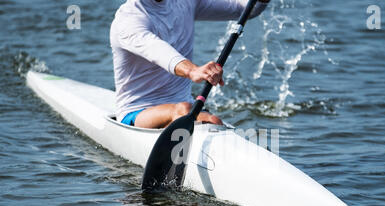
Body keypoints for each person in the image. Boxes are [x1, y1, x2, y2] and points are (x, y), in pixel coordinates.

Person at [110, 0, 270, 128]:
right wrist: (192, 70)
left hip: (186, 105)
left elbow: (243, 9)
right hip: (138, 112)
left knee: (206, 118)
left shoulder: (185, 2)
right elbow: (157, 51)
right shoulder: (129, 20)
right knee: (187, 111)